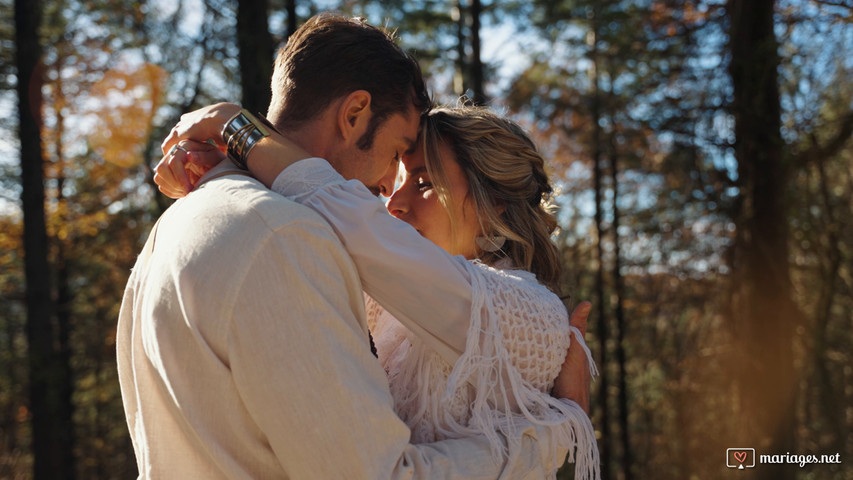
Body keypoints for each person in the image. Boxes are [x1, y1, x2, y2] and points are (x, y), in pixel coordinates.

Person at [119, 12, 591, 479]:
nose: (389, 201)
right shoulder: (290, 243)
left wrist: (234, 132)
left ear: (494, 206)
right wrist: (559, 431)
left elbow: (358, 226)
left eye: (422, 183)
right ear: (353, 114)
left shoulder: (176, 229)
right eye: (394, 163)